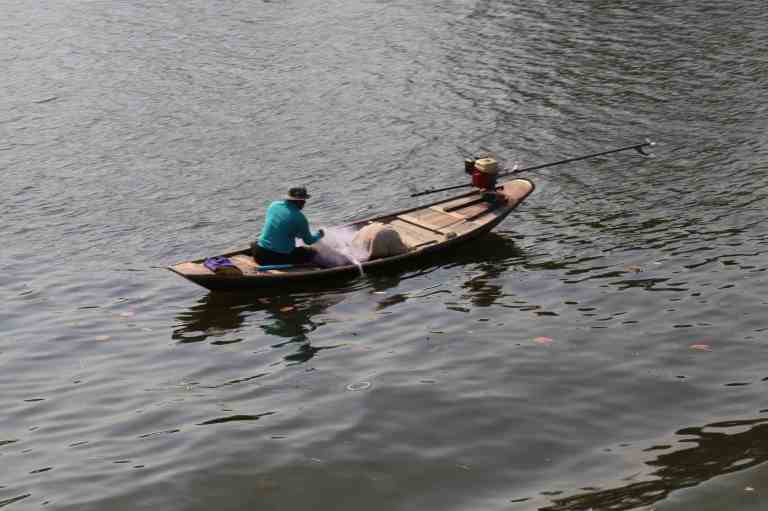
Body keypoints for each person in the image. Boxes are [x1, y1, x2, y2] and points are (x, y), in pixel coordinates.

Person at [251, 186, 325, 265]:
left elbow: (280, 226)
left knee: (255, 242)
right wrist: (319, 235)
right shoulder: (300, 218)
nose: (305, 203)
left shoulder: (273, 205)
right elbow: (309, 241)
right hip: (274, 258)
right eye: (303, 200)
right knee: (312, 252)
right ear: (299, 202)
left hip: (258, 254)